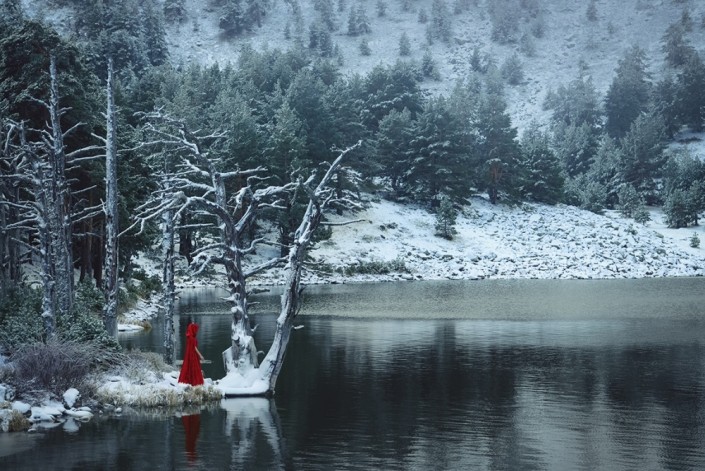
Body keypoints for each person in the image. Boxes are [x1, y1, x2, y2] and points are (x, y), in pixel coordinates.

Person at [178, 320, 205, 386]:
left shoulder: (189, 337)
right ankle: (193, 381)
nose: (196, 331)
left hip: (189, 355)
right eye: (195, 330)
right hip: (193, 355)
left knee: (188, 367)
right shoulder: (192, 338)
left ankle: (189, 380)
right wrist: (200, 355)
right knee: (194, 367)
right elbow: (194, 348)